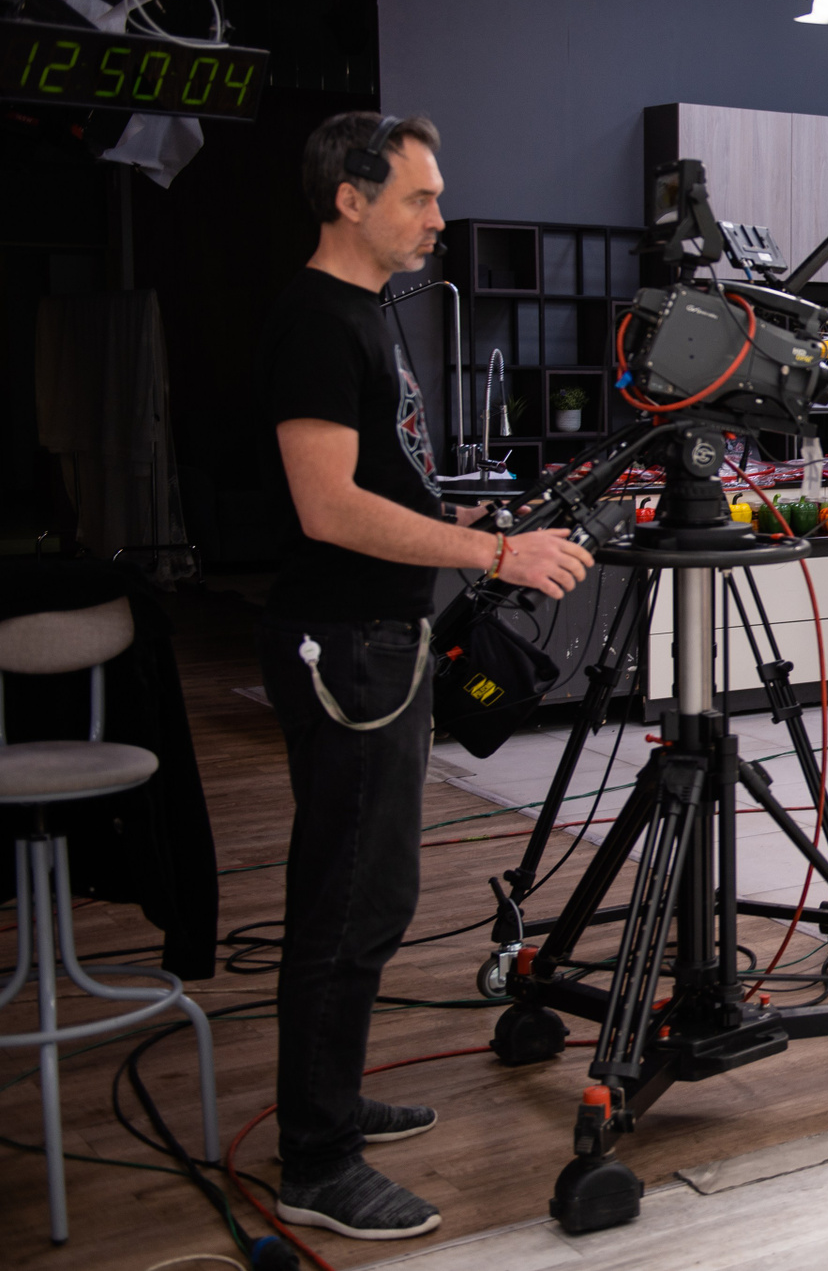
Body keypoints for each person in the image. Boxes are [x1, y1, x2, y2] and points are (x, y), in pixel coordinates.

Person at [256, 112, 594, 1240]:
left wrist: (467, 523)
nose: (438, 218)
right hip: (345, 645)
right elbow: (327, 508)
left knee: (375, 892)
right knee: (348, 898)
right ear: (348, 199)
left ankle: (332, 1102)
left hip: (378, 638)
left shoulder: (364, 311)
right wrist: (496, 557)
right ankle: (316, 1160)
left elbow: (382, 481)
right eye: (418, 197)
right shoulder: (317, 319)